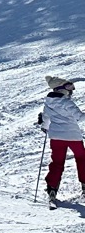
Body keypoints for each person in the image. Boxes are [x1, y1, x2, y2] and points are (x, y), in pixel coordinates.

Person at [38, 75, 85, 205]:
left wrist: (44, 126)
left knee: (57, 162)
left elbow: (46, 119)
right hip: (73, 136)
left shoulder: (48, 102)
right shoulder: (66, 102)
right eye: (68, 87)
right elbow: (80, 117)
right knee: (81, 158)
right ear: (60, 89)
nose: (71, 90)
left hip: (56, 137)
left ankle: (52, 188)